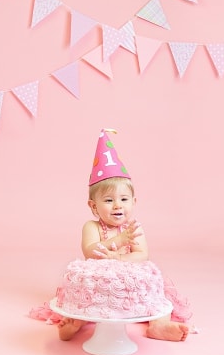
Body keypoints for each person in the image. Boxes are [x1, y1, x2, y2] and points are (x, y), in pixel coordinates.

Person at [29, 129, 193, 342]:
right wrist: (120, 241)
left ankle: (159, 326)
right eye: (108, 200)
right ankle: (72, 325)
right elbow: (90, 251)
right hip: (99, 286)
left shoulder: (133, 228)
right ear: (93, 206)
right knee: (85, 303)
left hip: (130, 284)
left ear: (134, 202)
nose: (117, 205)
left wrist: (121, 258)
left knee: (158, 300)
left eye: (124, 199)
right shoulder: (91, 226)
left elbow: (142, 254)